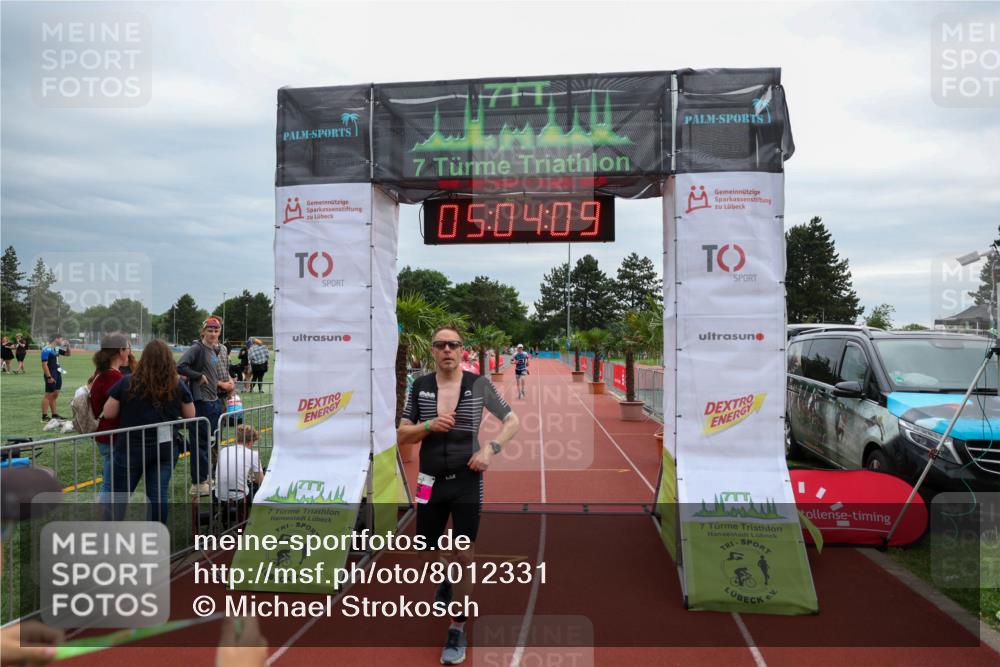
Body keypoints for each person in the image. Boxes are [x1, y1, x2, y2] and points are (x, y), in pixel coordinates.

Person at [396, 325, 520, 665]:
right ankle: (445, 583)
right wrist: (427, 426)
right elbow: (402, 435)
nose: (447, 350)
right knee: (426, 552)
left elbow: (512, 421)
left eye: (454, 345)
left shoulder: (477, 385)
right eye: (441, 345)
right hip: (427, 481)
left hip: (467, 479)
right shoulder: (419, 386)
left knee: (463, 555)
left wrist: (490, 451)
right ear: (433, 351)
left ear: (462, 350)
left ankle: (457, 626)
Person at [102, 339, 195, 523]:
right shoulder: (176, 384)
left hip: (131, 447)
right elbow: (191, 415)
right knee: (157, 494)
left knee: (120, 495)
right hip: (165, 447)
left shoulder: (128, 382)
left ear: (144, 359)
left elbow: (108, 413)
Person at [177, 317, 234, 495]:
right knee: (200, 443)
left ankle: (207, 477)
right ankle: (198, 483)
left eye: (216, 331)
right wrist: (197, 376)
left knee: (211, 442)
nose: (213, 333)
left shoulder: (217, 349)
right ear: (203, 332)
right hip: (201, 401)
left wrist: (229, 382)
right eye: (209, 330)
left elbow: (218, 372)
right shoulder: (197, 348)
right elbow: (180, 366)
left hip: (214, 401)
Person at [88, 332, 134, 505]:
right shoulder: (113, 376)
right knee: (111, 484)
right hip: (111, 436)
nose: (129, 352)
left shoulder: (103, 374)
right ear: (120, 350)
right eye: (128, 348)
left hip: (106, 434)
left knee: (110, 482)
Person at [215, 424, 263, 528]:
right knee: (255, 489)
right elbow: (261, 481)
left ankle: (226, 523)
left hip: (218, 494)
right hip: (239, 495)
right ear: (251, 442)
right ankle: (245, 525)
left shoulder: (224, 450)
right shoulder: (253, 454)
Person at [40, 335, 69, 423]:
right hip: (51, 373)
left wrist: (68, 346)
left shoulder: (56, 348)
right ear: (56, 338)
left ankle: (54, 415)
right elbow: (44, 364)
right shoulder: (46, 349)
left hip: (58, 372)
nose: (62, 340)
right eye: (61, 338)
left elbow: (68, 354)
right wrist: (49, 377)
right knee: (48, 394)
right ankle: (44, 417)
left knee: (55, 394)